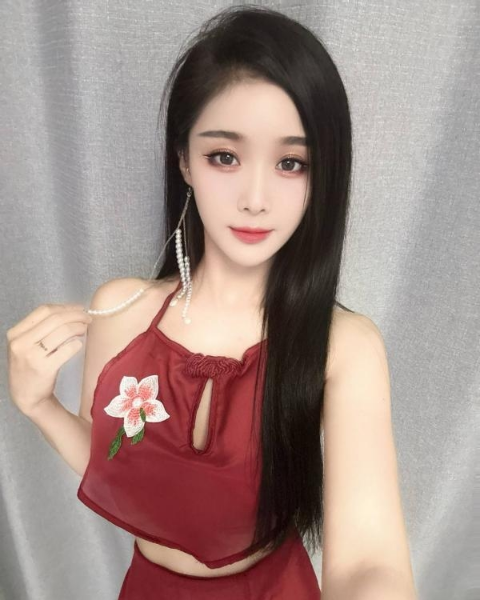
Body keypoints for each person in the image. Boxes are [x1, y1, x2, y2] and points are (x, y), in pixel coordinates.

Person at [6, 5, 417, 600]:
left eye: (291, 163)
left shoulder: (342, 347)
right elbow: (116, 458)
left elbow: (370, 560)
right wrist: (38, 404)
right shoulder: (122, 312)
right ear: (184, 160)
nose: (255, 198)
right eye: (225, 156)